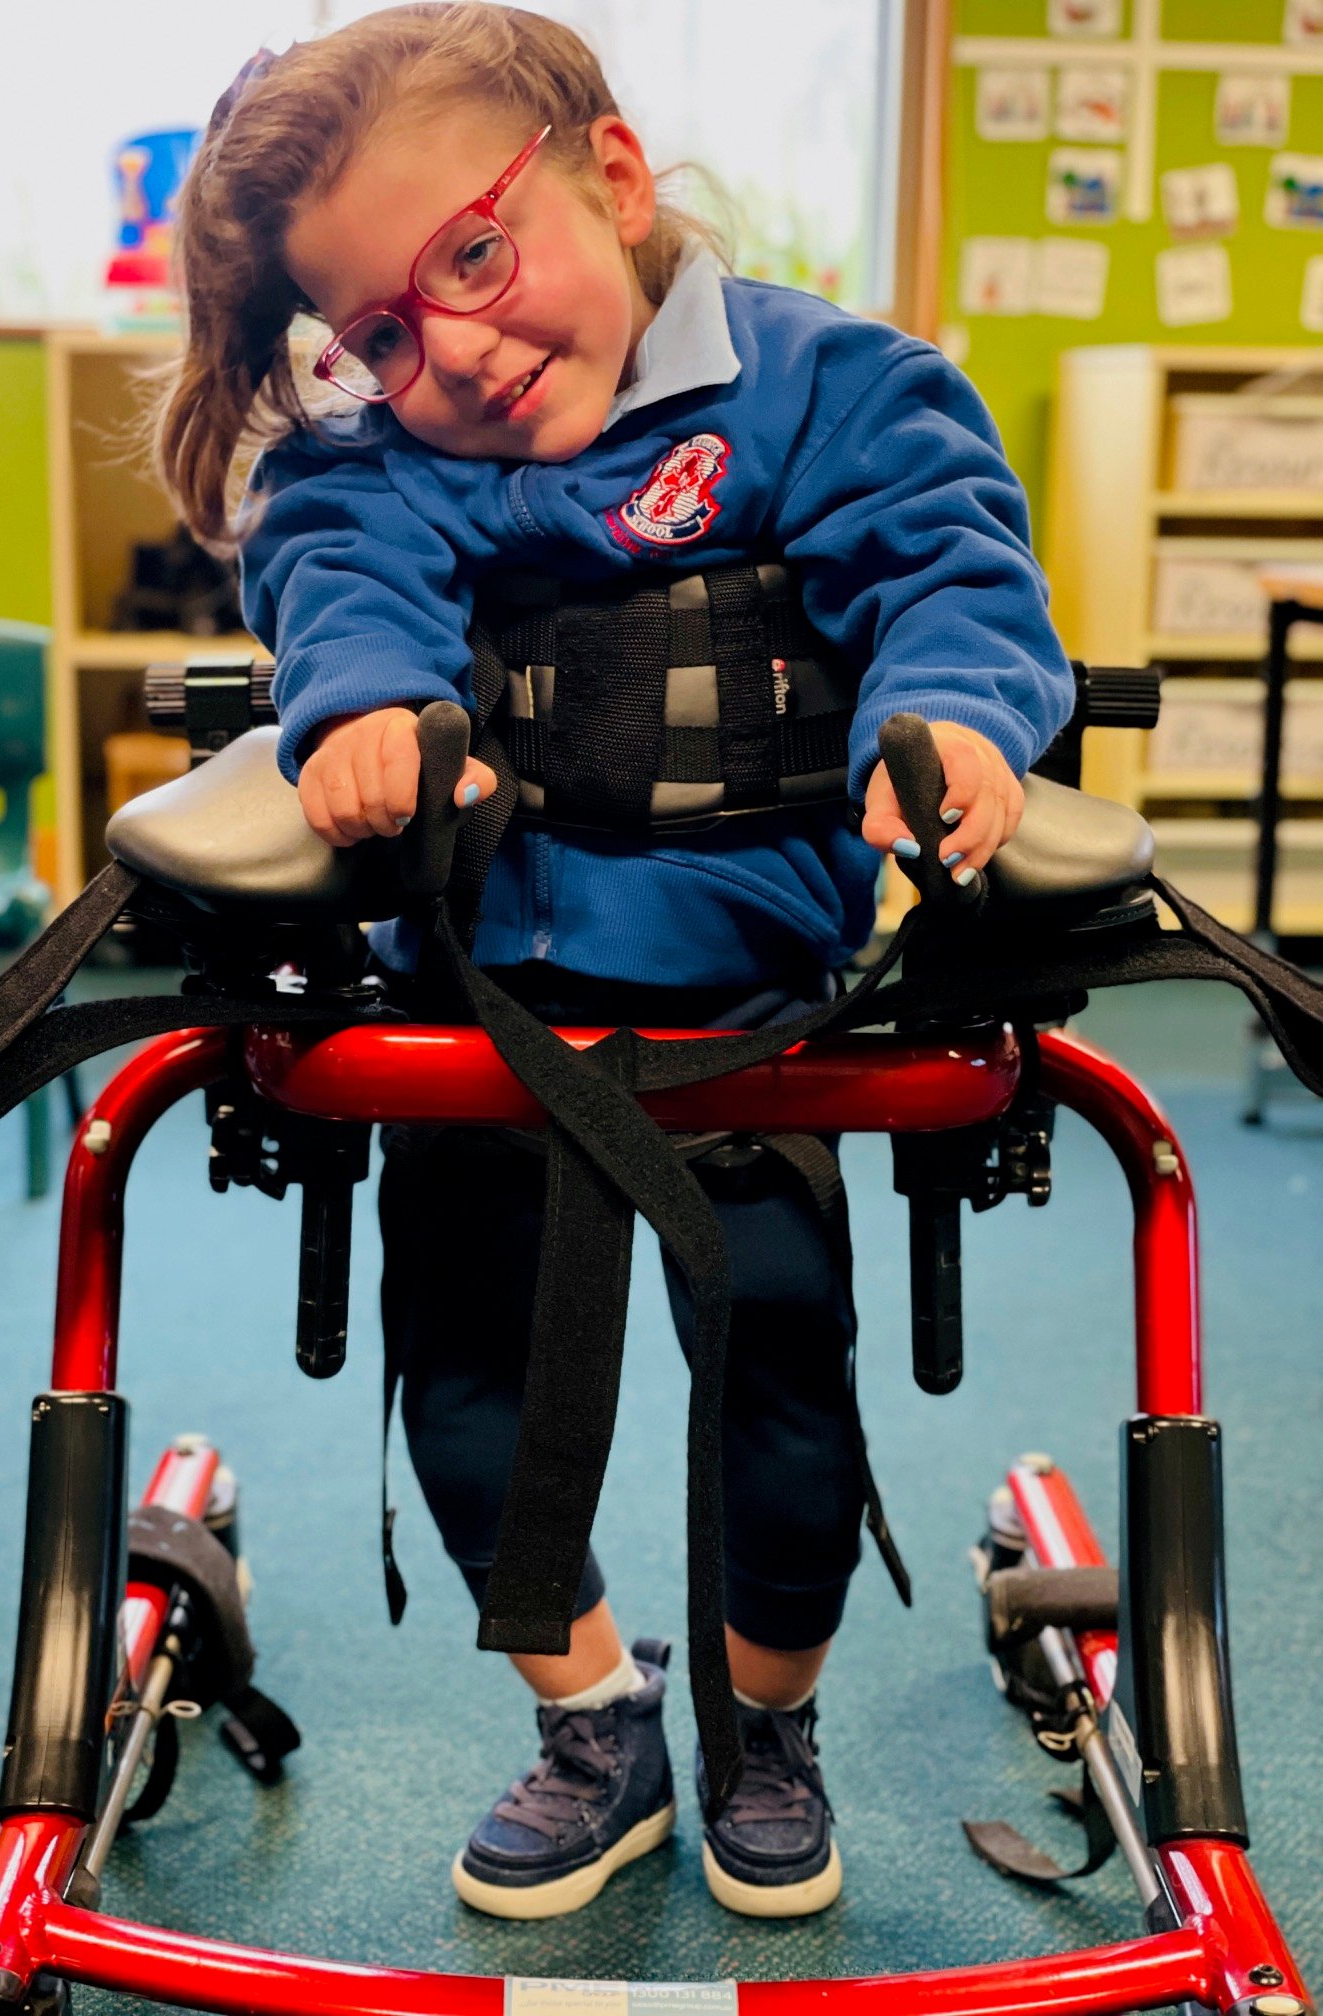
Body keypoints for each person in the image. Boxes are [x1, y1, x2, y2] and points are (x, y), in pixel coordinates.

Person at [155, 2, 1074, 1925]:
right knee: (473, 1405)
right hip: (474, 1028)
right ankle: (597, 1721)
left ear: (617, 176)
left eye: (472, 260)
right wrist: (375, 706)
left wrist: (961, 720)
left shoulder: (833, 388)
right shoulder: (379, 460)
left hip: (764, 1041)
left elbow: (952, 571)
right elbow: (334, 569)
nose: (454, 352)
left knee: (786, 1404)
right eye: (379, 332)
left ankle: (764, 1730)